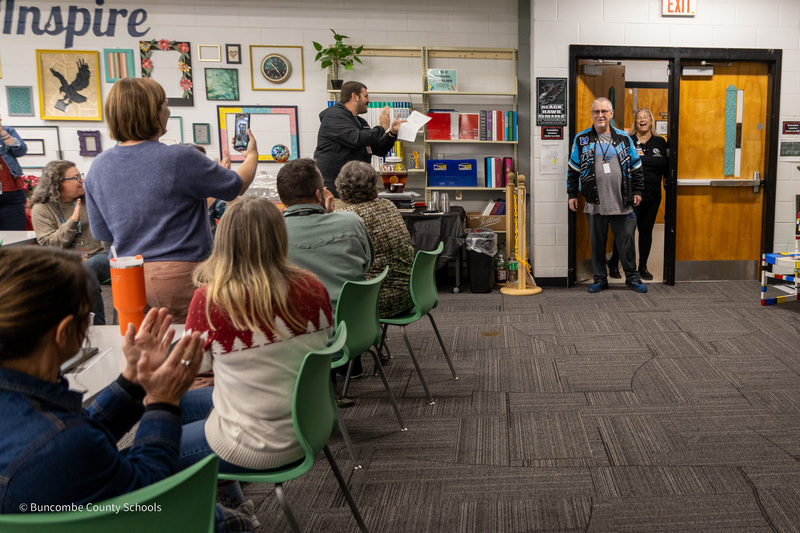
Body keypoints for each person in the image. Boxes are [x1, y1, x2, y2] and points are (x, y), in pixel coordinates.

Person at [0, 247, 255, 532]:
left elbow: (76, 435)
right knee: (231, 523)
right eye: (86, 316)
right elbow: (151, 494)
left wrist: (133, 380)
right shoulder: (63, 443)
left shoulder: (36, 418)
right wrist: (162, 402)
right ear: (63, 332)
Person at [178, 197, 333, 501]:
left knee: (145, 452)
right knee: (179, 407)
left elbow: (194, 369)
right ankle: (233, 508)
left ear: (223, 241)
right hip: (311, 423)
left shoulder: (211, 301)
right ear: (280, 236)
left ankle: (227, 515)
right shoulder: (313, 285)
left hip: (254, 443)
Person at [84, 78, 259, 323]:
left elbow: (102, 233)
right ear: (152, 113)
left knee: (145, 344)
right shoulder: (180, 157)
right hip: (180, 276)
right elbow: (235, 186)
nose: (168, 112)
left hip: (129, 279)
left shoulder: (98, 166)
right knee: (193, 343)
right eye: (165, 105)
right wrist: (251, 155)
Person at [567, 97, 646, 294]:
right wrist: (572, 194)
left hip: (622, 201)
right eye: (596, 111)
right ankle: (600, 279)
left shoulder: (624, 138)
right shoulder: (582, 139)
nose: (600, 115)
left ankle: (632, 278)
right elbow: (573, 169)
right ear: (592, 114)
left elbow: (636, 167)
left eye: (604, 111)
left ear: (611, 114)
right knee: (597, 244)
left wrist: (637, 190)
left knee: (627, 243)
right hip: (595, 202)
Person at [277, 157, 373, 310]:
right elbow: (367, 263)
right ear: (318, 194)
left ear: (281, 198)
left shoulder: (271, 233)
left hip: (300, 322)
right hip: (352, 320)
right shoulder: (352, 222)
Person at [30, 160, 110, 325]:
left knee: (85, 269)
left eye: (81, 176)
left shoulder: (91, 199)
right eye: (75, 178)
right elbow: (50, 245)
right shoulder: (42, 208)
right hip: (66, 261)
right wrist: (73, 221)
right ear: (58, 184)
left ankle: (97, 327)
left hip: (103, 255)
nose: (82, 180)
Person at [335, 160, 414, 318]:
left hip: (377, 300)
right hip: (410, 294)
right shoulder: (388, 205)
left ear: (341, 186)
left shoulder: (348, 217)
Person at [314, 80, 404, 203]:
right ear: (354, 97)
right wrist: (382, 128)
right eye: (366, 96)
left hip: (357, 191)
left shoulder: (360, 122)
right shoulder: (333, 116)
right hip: (337, 193)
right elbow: (356, 139)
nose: (369, 101)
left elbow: (379, 149)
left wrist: (392, 133)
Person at [607, 108, 669, 281]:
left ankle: (643, 267)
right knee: (626, 231)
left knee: (646, 231)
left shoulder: (660, 142)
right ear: (635, 122)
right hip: (630, 194)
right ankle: (614, 262)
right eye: (639, 118)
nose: (642, 120)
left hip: (652, 195)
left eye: (645, 117)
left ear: (651, 121)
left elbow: (666, 166)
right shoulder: (628, 140)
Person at [0, 112, 29, 230]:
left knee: (16, 236)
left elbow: (21, 151)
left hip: (12, 193)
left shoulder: (7, 130)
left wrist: (2, 133)